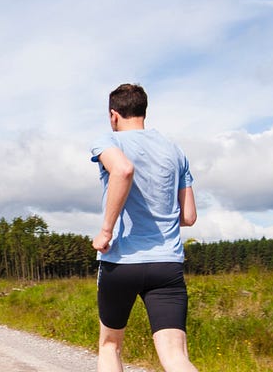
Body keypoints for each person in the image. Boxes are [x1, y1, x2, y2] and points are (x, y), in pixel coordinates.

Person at [90, 83, 198, 372]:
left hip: (120, 262)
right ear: (143, 111)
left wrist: (106, 230)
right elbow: (188, 216)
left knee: (110, 346)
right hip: (166, 264)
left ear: (114, 115)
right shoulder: (175, 151)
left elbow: (123, 170)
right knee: (176, 356)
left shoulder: (109, 143)